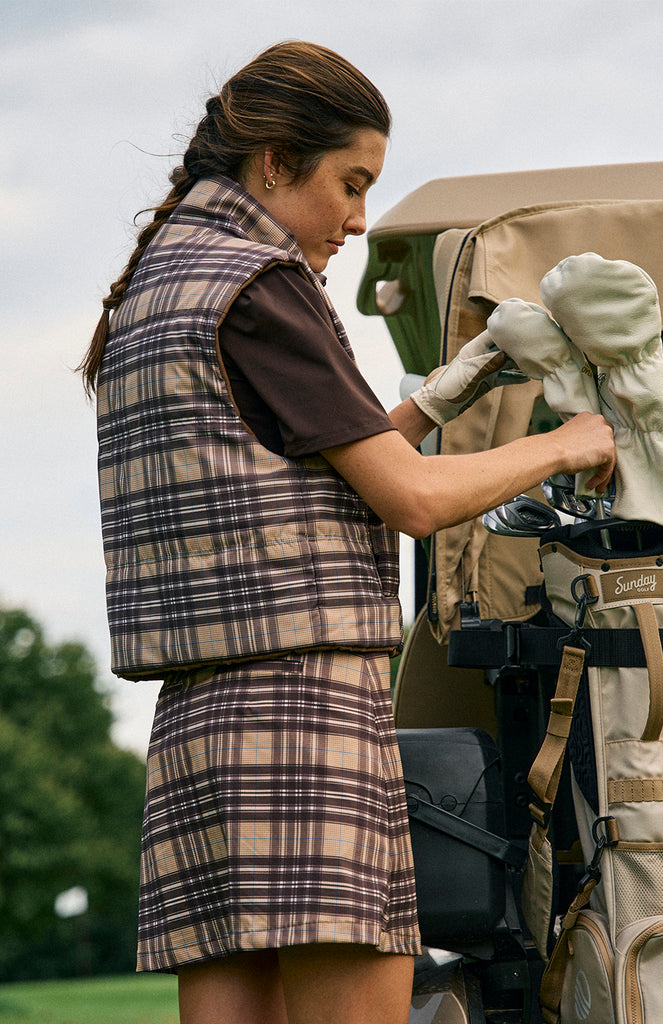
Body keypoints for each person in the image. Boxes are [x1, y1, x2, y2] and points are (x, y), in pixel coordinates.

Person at [79, 40, 614, 1024]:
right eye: (350, 183)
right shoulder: (262, 284)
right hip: (305, 714)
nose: (359, 218)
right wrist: (571, 442)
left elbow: (306, 470)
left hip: (201, 727)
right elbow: (408, 499)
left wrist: (454, 384)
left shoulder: (151, 291)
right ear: (276, 160)